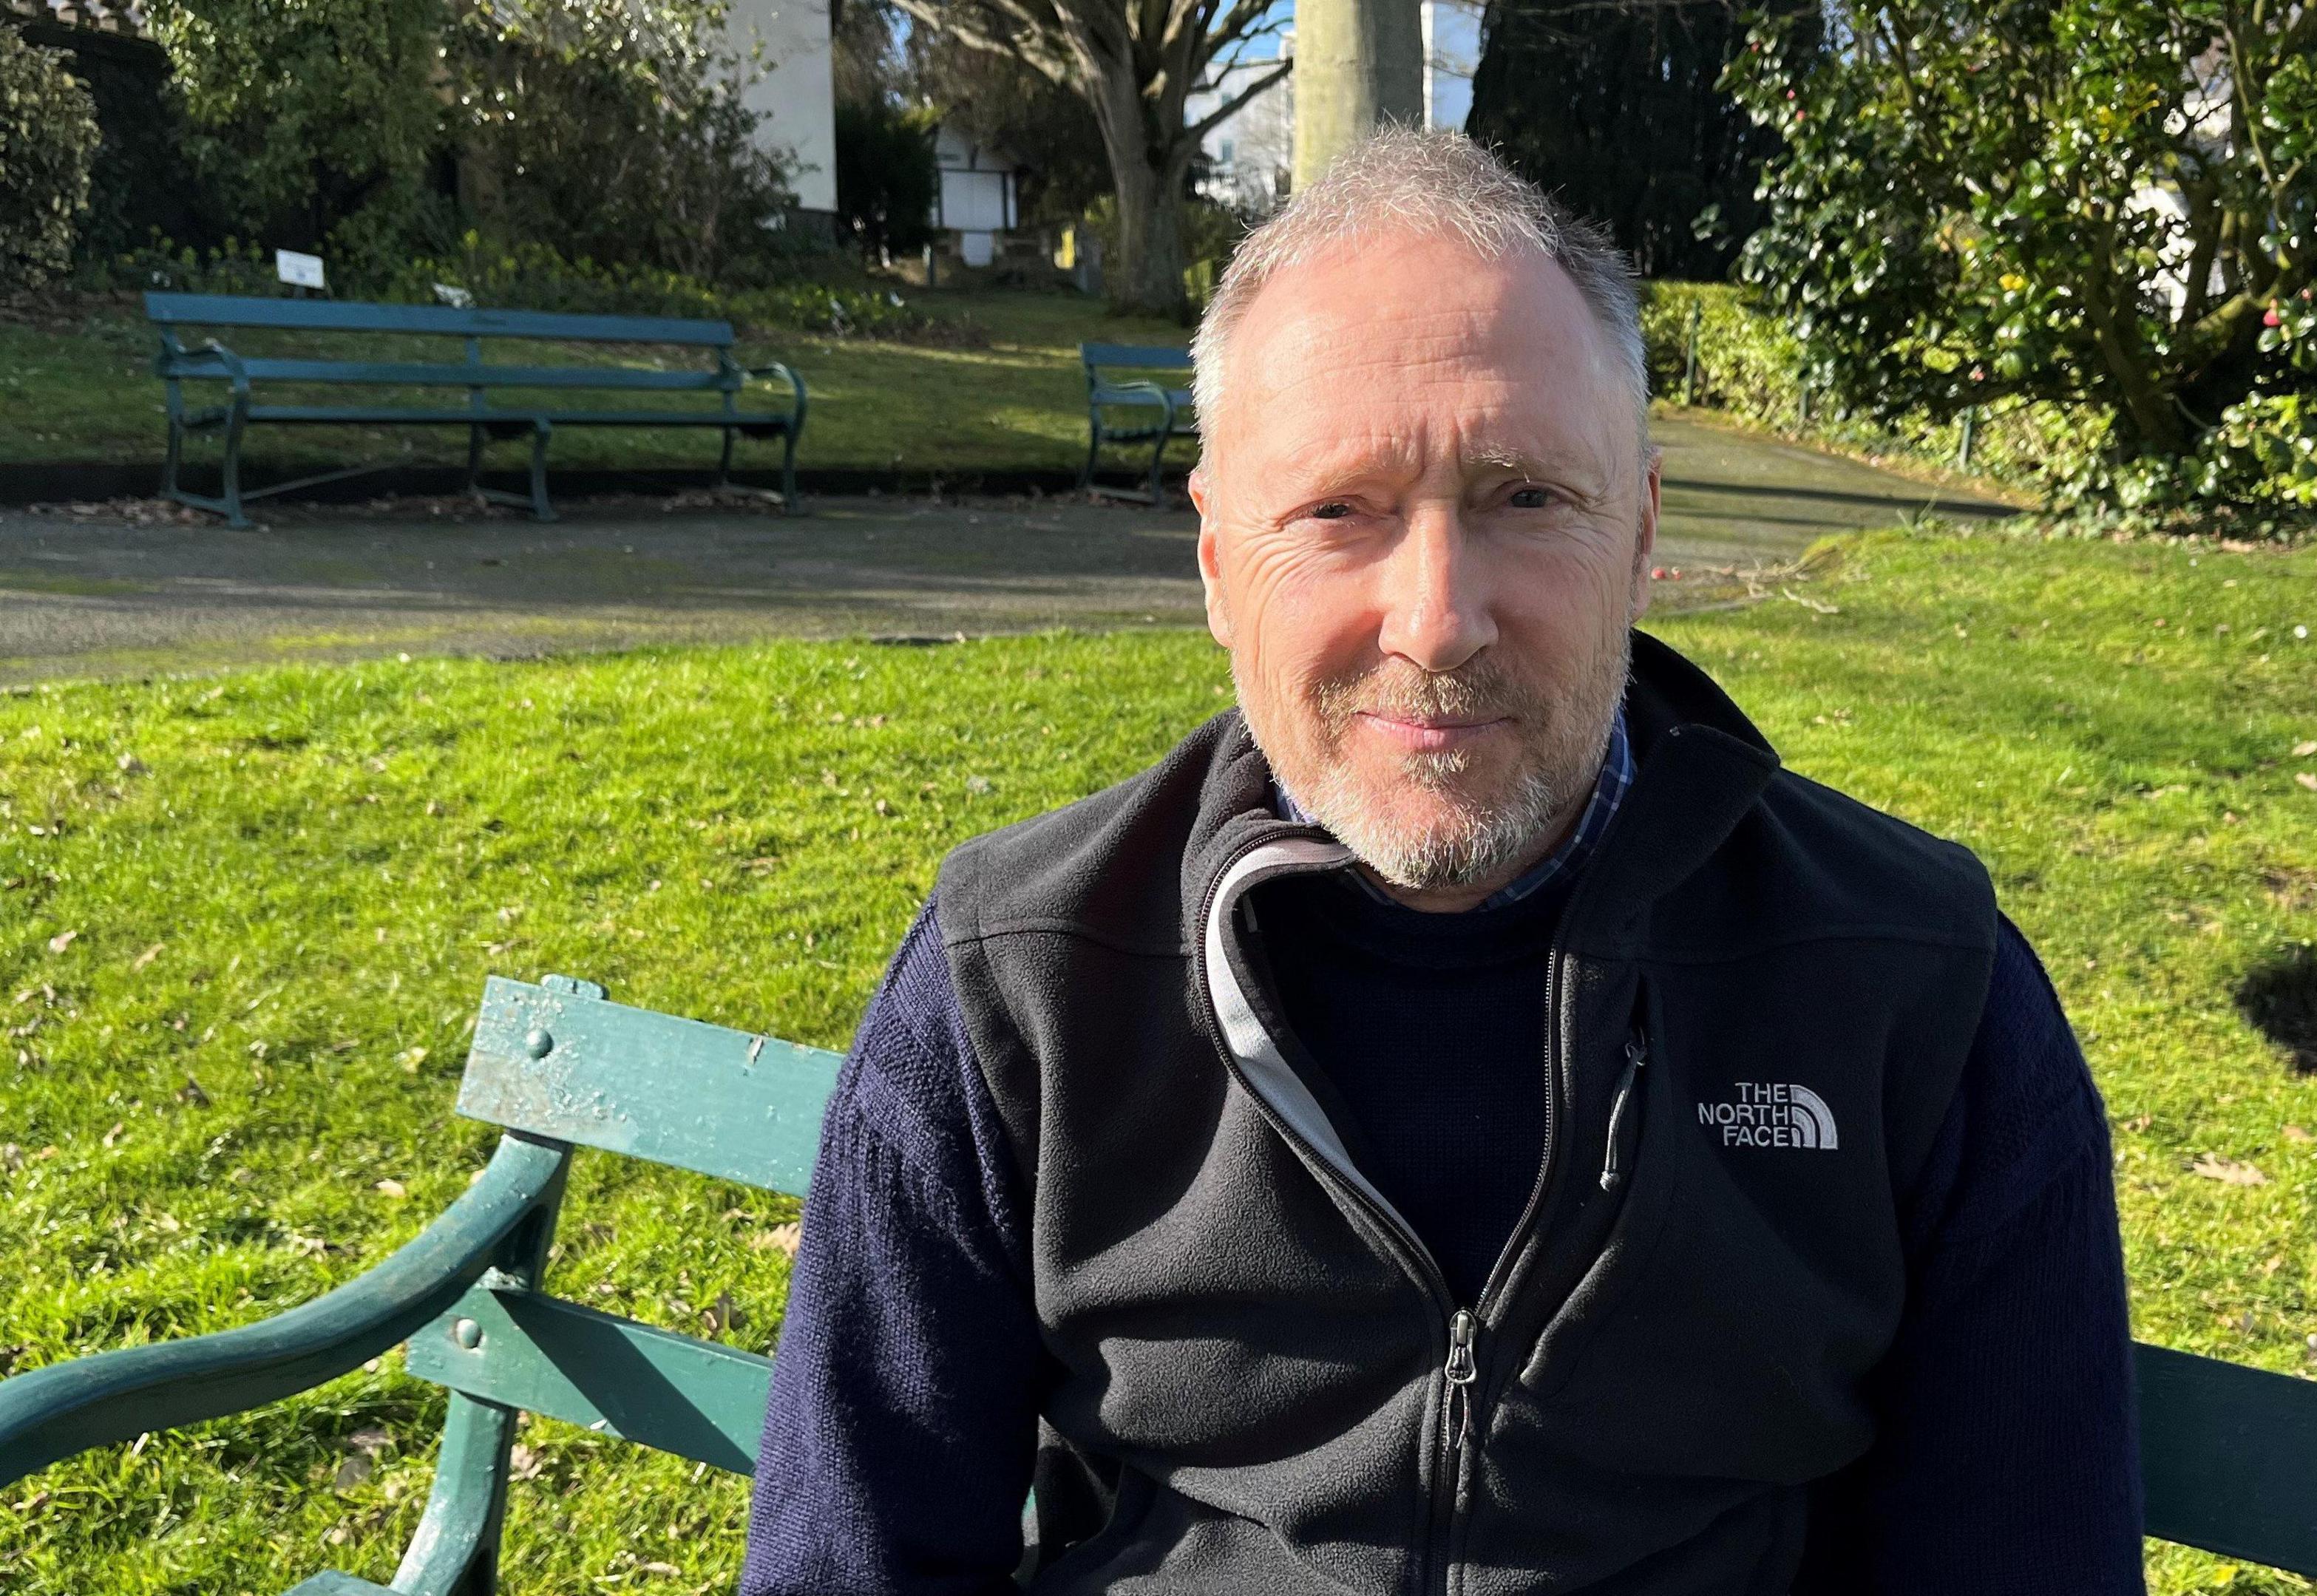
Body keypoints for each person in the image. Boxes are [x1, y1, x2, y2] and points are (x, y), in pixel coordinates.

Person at [739, 129, 2143, 1595]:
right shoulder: (1017, 979)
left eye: (1526, 499)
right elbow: (855, 1559)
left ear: (1644, 532)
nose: (1438, 621)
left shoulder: (1915, 985)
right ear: (1218, 562)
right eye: (1338, 511)